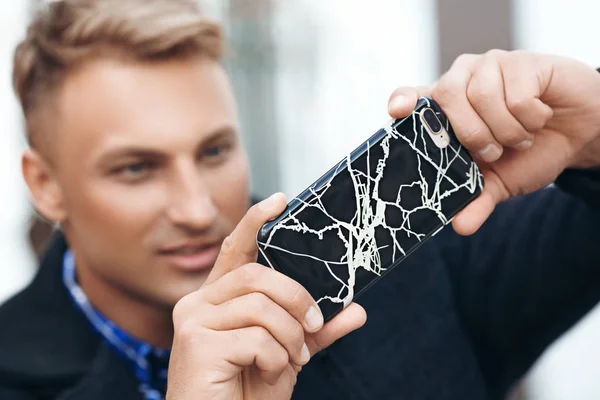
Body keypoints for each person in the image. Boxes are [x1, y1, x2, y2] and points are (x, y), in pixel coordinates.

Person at [0, 0, 599, 399]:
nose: (197, 208)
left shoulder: (409, 270)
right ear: (45, 184)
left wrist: (594, 131)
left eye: (214, 153)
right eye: (136, 168)